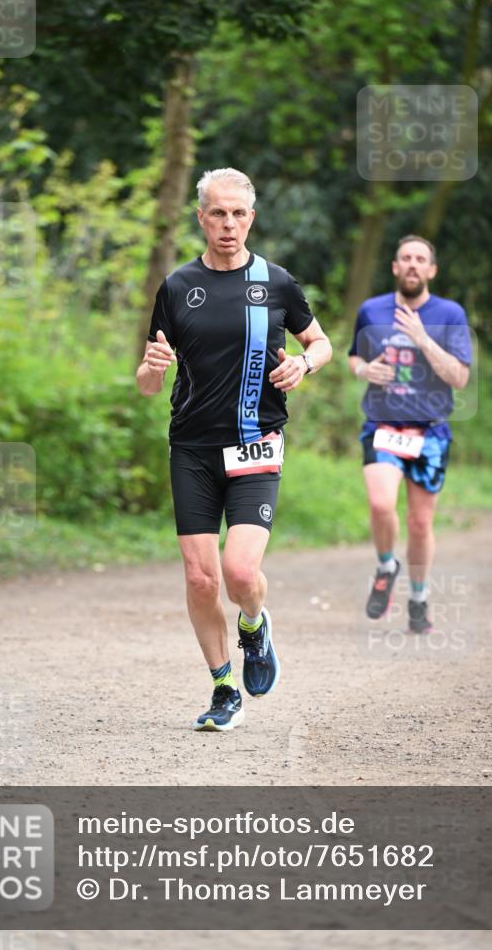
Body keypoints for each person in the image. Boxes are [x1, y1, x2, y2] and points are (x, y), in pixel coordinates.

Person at [136, 168, 331, 731]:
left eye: (238, 213)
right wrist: (151, 371)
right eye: (217, 213)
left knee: (240, 571)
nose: (228, 224)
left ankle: (254, 625)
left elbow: (321, 342)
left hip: (256, 444)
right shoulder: (176, 287)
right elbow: (150, 383)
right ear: (201, 217)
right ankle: (224, 688)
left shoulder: (276, 283)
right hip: (192, 447)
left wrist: (304, 363)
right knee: (201, 579)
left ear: (252, 217)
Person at [348, 235, 472, 633]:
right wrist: (365, 370)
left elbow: (460, 377)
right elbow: (354, 356)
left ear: (432, 270)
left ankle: (418, 598)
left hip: (430, 432)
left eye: (421, 259)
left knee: (420, 523)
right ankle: (387, 565)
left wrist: (422, 338)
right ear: (395, 268)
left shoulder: (450, 314)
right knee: (381, 504)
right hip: (382, 424)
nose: (413, 264)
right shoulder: (371, 310)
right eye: (406, 258)